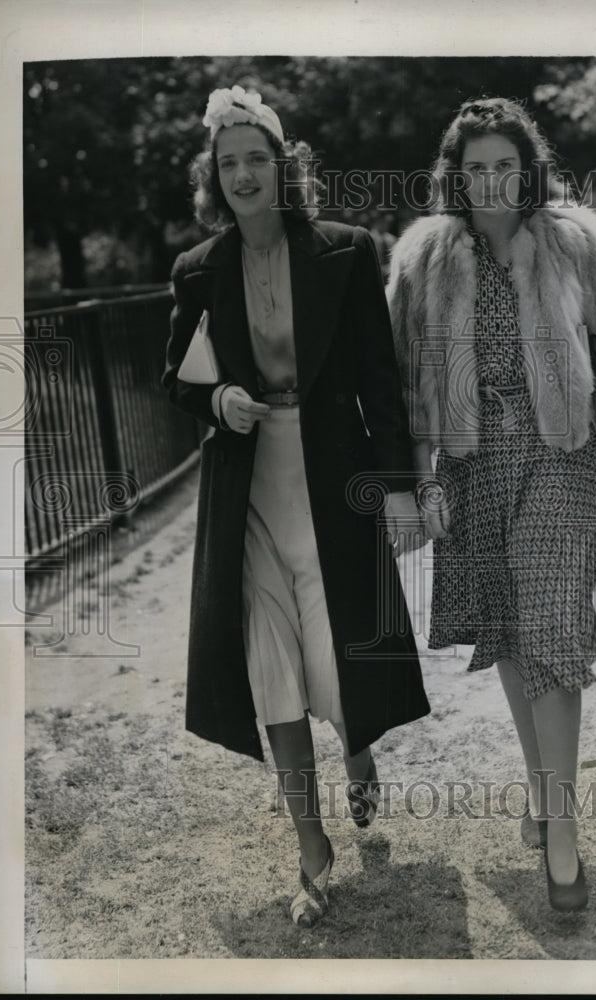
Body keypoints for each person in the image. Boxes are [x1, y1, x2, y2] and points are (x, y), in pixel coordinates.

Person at [387, 97, 596, 913]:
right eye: (474, 168)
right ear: (456, 176)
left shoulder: (574, 242)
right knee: (512, 631)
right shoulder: (423, 257)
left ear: (529, 170)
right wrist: (420, 483)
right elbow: (408, 382)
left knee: (551, 621)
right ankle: (541, 782)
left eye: (504, 166)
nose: (490, 182)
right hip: (472, 467)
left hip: (561, 456)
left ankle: (560, 825)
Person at [162, 85, 430, 927]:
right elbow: (177, 378)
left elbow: (380, 385)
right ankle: (310, 843)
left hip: (329, 481)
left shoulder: (346, 253)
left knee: (337, 654)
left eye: (257, 159)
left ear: (284, 169)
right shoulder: (197, 271)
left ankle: (357, 755)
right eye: (228, 162)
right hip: (246, 495)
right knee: (268, 663)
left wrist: (396, 493)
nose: (243, 174)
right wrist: (218, 402)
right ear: (216, 177)